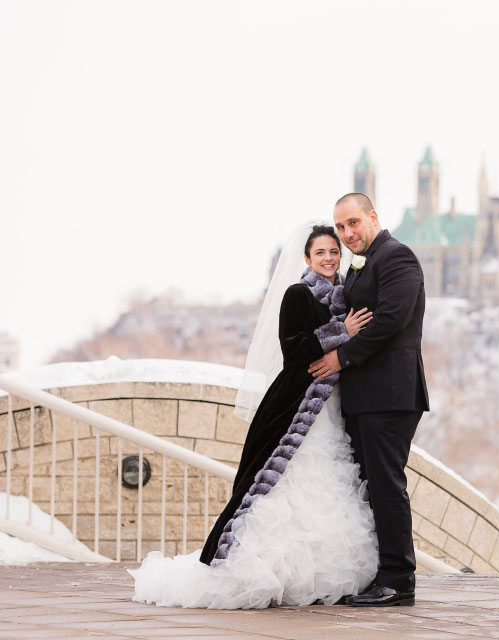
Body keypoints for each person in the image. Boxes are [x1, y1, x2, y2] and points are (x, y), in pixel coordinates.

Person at [128, 224, 379, 608]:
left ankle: (321, 573)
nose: (328, 258)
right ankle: (270, 572)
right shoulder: (298, 294)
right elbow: (293, 349)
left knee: (329, 482)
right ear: (307, 258)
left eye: (333, 251)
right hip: (298, 405)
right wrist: (339, 331)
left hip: (330, 407)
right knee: (288, 485)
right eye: (320, 253)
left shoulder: (343, 295)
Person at [308, 193, 429, 607]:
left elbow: (391, 321)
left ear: (373, 217)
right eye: (340, 227)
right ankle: (379, 573)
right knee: (370, 489)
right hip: (363, 396)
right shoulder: (360, 265)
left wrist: (340, 354)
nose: (346, 234)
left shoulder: (398, 258)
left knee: (386, 485)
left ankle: (399, 580)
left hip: (391, 395)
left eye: (353, 223)